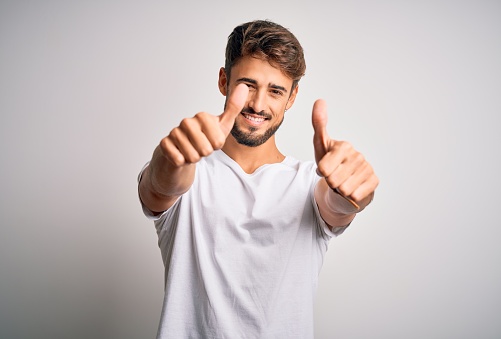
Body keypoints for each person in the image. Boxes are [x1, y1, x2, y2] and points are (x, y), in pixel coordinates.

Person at [138, 20, 379, 338]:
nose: (258, 104)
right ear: (224, 81)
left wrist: (352, 190)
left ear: (292, 97)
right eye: (247, 85)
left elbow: (336, 205)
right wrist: (171, 158)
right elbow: (160, 185)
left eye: (276, 91)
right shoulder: (188, 168)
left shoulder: (308, 182)